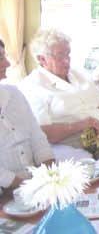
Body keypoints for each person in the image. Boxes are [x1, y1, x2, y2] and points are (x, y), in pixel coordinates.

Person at [19, 29, 99, 161]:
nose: (67, 61)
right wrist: (80, 125)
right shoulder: (32, 86)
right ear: (42, 59)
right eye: (60, 56)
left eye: (68, 54)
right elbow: (43, 133)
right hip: (72, 148)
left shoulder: (77, 74)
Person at [0, 39, 54, 194]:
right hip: (7, 193)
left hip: (33, 185)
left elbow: (37, 136)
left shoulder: (13, 94)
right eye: (0, 58)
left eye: (5, 56)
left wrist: (51, 176)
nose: (8, 64)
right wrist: (26, 185)